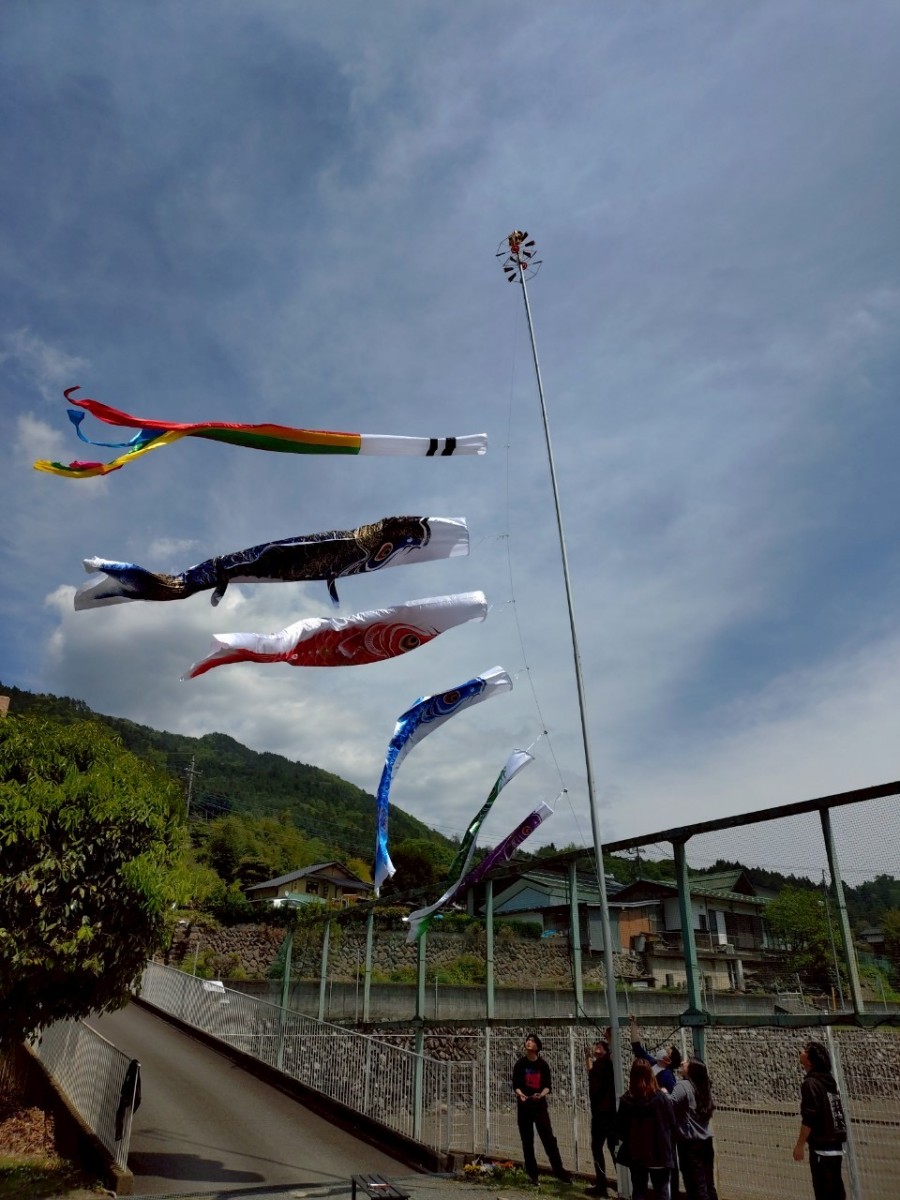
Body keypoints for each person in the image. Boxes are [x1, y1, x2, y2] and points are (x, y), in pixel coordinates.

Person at [512, 1033, 572, 1186]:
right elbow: (516, 1085)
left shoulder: (543, 1065)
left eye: (532, 1041)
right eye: (527, 1040)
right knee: (527, 1141)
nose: (529, 1042)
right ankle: (533, 1176)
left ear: (537, 1047)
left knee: (548, 1139)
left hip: (539, 1107)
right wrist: (520, 1094)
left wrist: (541, 1095)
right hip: (524, 1107)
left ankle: (560, 1172)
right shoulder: (520, 1064)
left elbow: (547, 1086)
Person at [792, 1040, 847, 1200]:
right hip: (836, 1146)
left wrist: (799, 1145)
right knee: (836, 1191)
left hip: (822, 1148)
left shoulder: (810, 1083)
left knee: (824, 1192)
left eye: (805, 1050)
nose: (801, 1051)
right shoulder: (828, 1080)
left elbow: (809, 1119)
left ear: (810, 1061)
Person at [616, 1058, 677, 1200]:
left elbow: (620, 1129)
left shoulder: (627, 1100)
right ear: (651, 1074)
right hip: (659, 1153)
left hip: (637, 1153)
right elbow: (672, 1124)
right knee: (662, 1191)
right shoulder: (661, 1099)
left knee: (638, 1190)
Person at [671, 1058, 718, 1200]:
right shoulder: (704, 1086)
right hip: (706, 1141)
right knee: (708, 1183)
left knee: (695, 1185)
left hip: (690, 1143)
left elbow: (669, 1103)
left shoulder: (683, 1086)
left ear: (692, 1070)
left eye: (687, 1063)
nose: (683, 1063)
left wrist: (663, 1092)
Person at [584, 1038, 617, 1196]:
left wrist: (610, 1037)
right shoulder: (597, 1065)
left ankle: (623, 1183)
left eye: (601, 1046)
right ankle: (601, 1184)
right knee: (598, 1147)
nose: (597, 1046)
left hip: (607, 1113)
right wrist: (588, 1057)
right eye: (596, 1045)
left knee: (612, 1147)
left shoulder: (609, 1063)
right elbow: (590, 1073)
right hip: (598, 1112)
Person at [629, 1013, 681, 1093]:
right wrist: (633, 1024)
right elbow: (637, 1048)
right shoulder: (652, 1063)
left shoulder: (667, 1076)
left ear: (668, 1061)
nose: (663, 1050)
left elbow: (670, 1096)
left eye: (667, 1052)